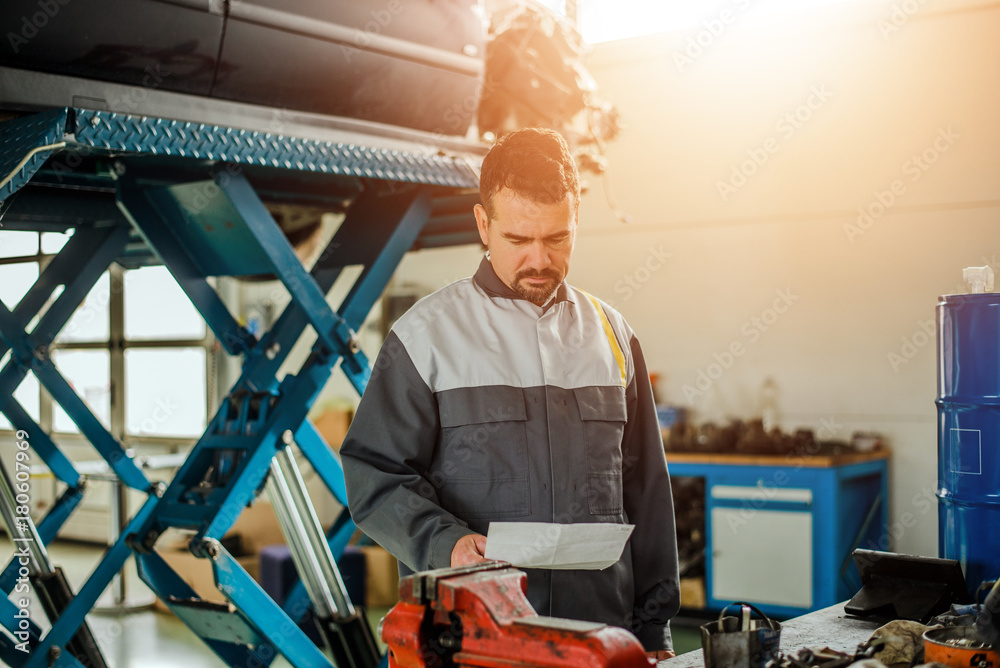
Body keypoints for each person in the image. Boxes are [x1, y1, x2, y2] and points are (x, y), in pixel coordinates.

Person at [340, 127, 680, 659]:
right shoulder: (426, 336)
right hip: (473, 638)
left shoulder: (613, 336)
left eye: (557, 238)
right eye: (518, 240)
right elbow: (373, 476)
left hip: (597, 637)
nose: (539, 260)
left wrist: (654, 629)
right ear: (483, 224)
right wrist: (444, 543)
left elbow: (647, 493)